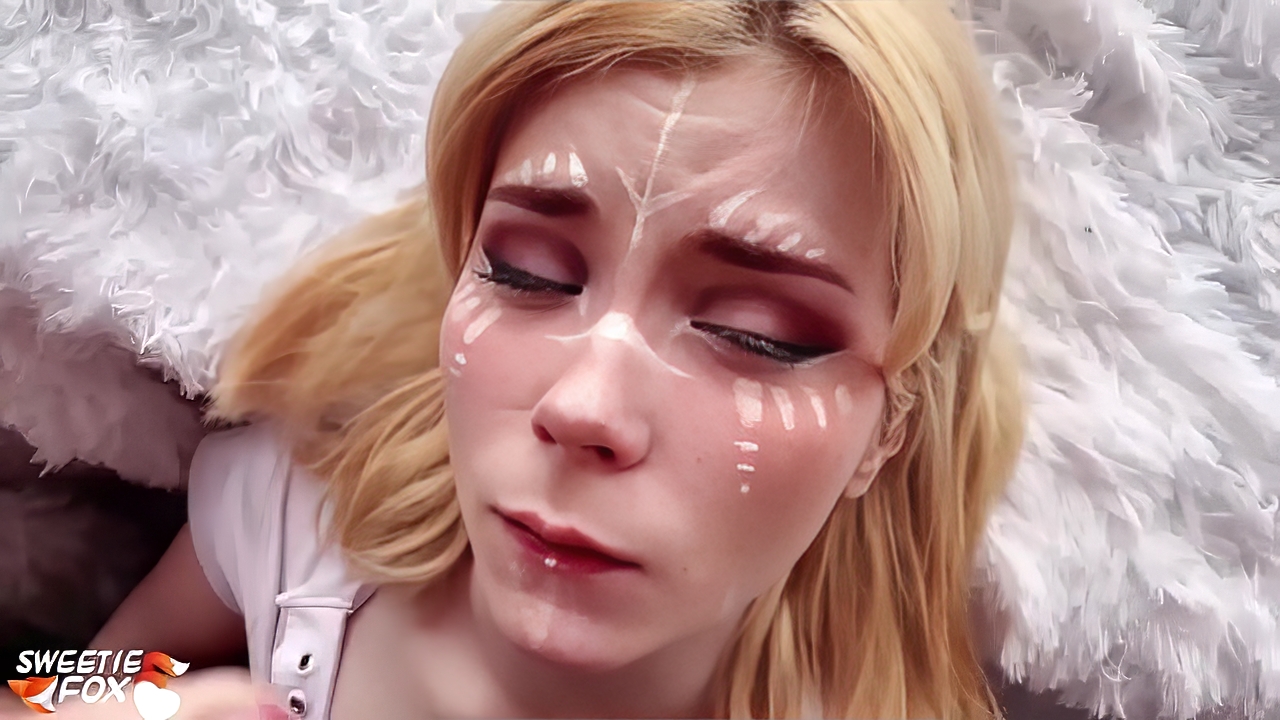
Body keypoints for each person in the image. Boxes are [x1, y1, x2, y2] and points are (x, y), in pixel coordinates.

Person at [91, 1, 1025, 718]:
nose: (585, 405)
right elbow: (59, 677)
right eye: (526, 271)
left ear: (890, 427)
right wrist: (134, 705)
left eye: (756, 333)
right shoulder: (296, 516)